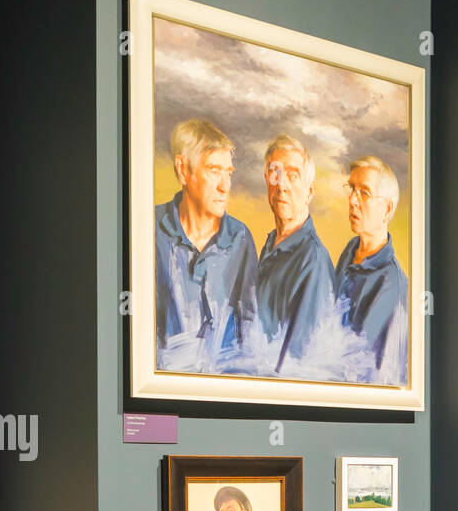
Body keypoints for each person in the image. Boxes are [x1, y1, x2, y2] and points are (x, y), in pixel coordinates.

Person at [154, 119, 258, 370]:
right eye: (213, 170)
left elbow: (249, 327)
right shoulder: (150, 228)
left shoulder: (239, 237)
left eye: (228, 173)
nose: (225, 186)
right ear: (183, 169)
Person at [255, 135, 335, 371]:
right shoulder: (271, 245)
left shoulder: (313, 261)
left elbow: (300, 362)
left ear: (309, 191)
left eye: (292, 175)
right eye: (275, 173)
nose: (282, 185)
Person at [333, 156, 408, 383]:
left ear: (387, 209)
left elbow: (381, 375)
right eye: (352, 189)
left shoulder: (392, 284)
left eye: (364, 192)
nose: (352, 201)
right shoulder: (350, 250)